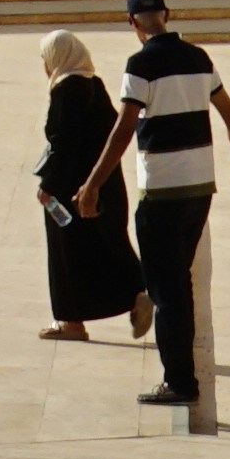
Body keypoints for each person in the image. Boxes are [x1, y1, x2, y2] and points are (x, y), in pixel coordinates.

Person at [71, 0, 230, 408]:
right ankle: (176, 361)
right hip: (200, 185)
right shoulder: (199, 58)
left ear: (133, 23)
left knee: (169, 291)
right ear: (167, 15)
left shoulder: (140, 64)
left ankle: (180, 382)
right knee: (176, 283)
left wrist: (92, 183)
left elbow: (124, 127)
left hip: (163, 189)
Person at [34, 33, 150, 340]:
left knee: (66, 253)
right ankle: (138, 292)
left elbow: (64, 144)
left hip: (72, 188)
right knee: (108, 241)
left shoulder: (66, 91)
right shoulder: (93, 85)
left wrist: (49, 185)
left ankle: (71, 321)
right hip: (104, 181)